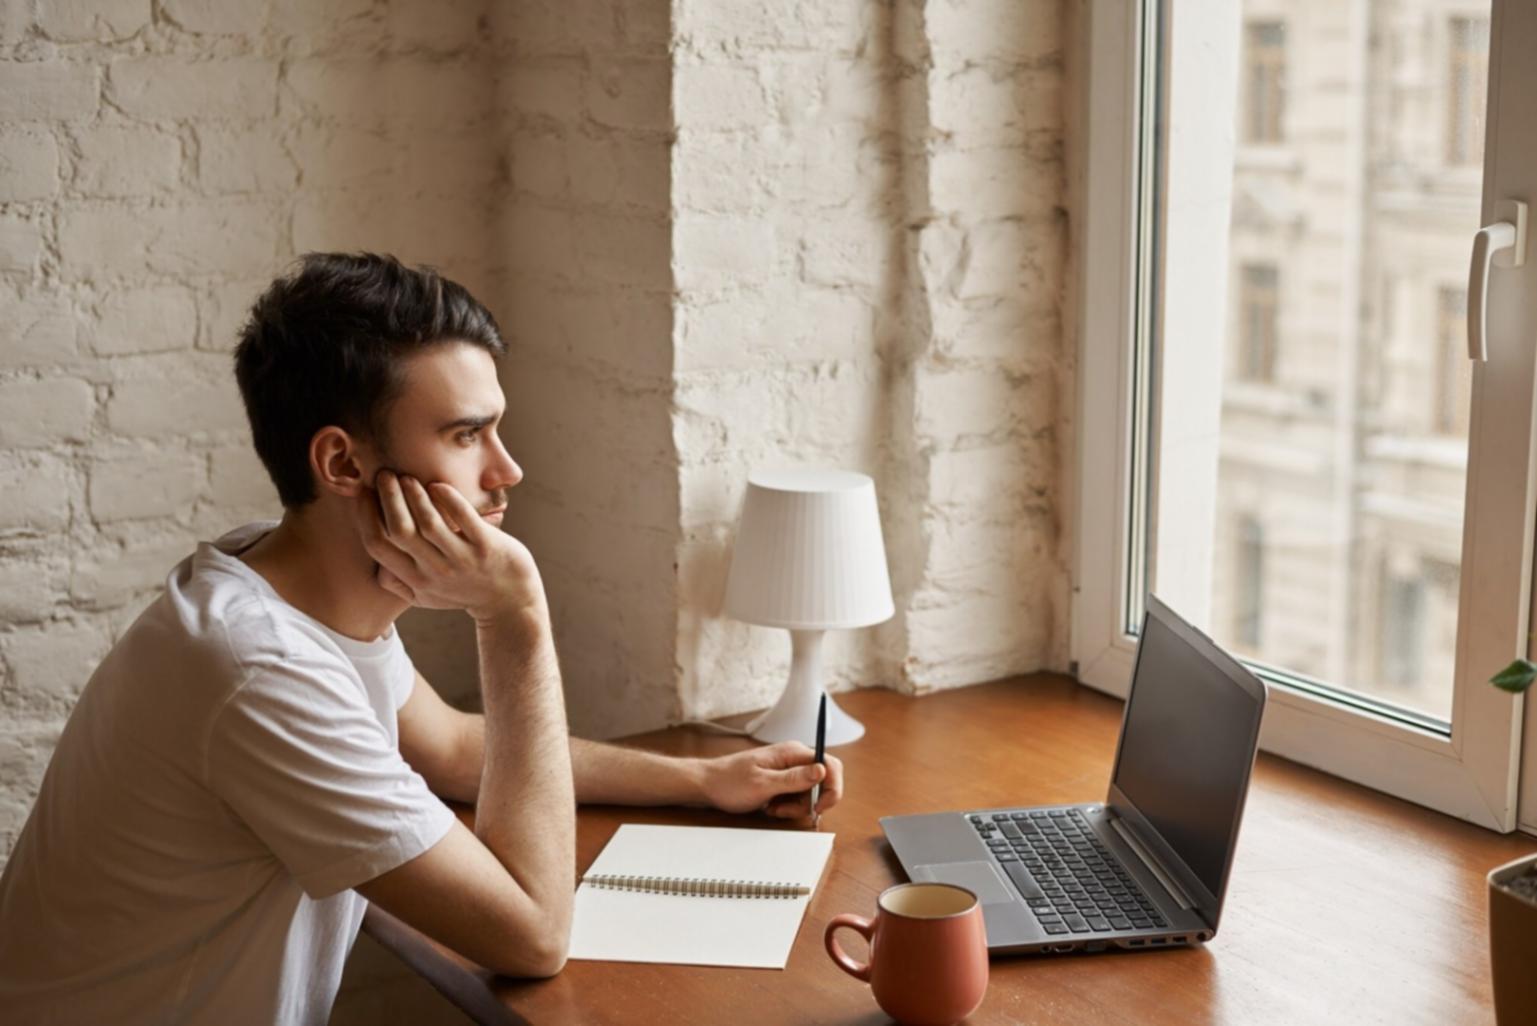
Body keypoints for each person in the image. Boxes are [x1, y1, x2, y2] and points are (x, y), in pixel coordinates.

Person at [0, 252, 845, 1024]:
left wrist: (700, 780)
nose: (506, 470)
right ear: (341, 466)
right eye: (466, 435)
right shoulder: (257, 666)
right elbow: (534, 933)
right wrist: (514, 618)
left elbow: (444, 747)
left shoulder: (279, 580)